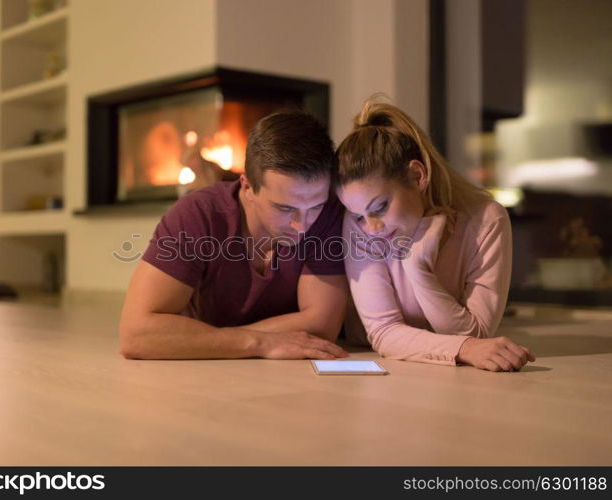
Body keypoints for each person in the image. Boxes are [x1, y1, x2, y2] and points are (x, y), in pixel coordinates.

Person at [120, 111, 349, 360]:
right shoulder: (197, 215)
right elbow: (136, 335)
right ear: (248, 187)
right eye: (284, 208)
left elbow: (322, 325)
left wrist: (204, 340)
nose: (302, 226)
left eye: (314, 207)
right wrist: (259, 343)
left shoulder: (329, 213)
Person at [335, 96, 535, 372]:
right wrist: (463, 348)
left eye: (380, 207)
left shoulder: (486, 220)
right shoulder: (359, 225)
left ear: (418, 176)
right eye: (358, 215)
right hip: (366, 357)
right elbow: (383, 332)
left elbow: (477, 333)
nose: (371, 228)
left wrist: (419, 269)